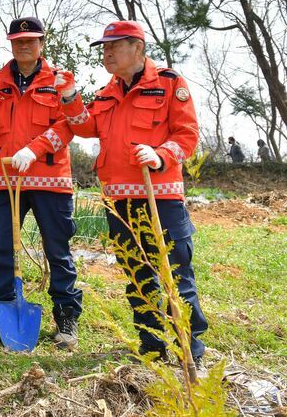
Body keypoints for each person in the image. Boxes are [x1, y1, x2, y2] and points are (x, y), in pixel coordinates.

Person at [58, 20, 207, 367]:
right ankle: (152, 346)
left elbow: (187, 134)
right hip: (119, 200)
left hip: (161, 198)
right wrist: (68, 96)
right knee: (137, 276)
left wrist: (160, 155)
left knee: (175, 273)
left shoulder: (169, 84)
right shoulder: (106, 93)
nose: (106, 53)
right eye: (104, 48)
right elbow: (85, 127)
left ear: (138, 48)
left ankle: (190, 350)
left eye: (114, 46)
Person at [0, 17, 81, 349]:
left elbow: (69, 125)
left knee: (57, 251)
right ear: (11, 45)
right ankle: (3, 312)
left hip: (49, 179)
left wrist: (36, 148)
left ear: (42, 43)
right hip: (6, 180)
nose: (24, 45)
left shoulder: (59, 81)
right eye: (18, 40)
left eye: (30, 40)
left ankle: (67, 317)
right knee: (0, 250)